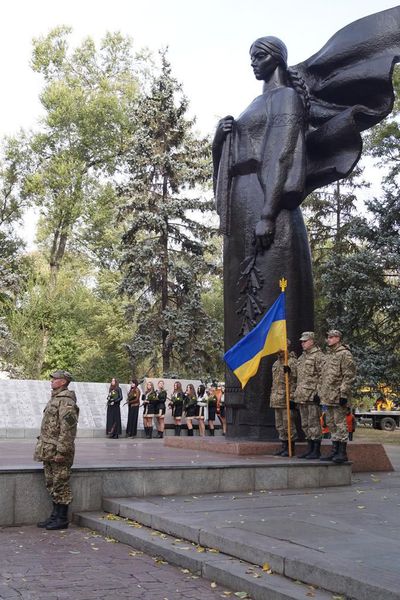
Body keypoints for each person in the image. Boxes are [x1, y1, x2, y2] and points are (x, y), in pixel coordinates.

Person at [212, 8, 400, 438]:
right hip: (243, 202)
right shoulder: (259, 101)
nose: (252, 61)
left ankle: (282, 426)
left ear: (276, 58)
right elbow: (241, 150)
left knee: (266, 299)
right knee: (241, 301)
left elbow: (280, 153)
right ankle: (246, 413)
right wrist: (221, 137)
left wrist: (267, 211)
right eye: (250, 55)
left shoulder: (285, 99)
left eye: (259, 54)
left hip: (266, 203)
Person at [33, 369, 79, 530]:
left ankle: (62, 518)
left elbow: (68, 429)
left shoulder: (66, 401)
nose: (51, 381)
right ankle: (54, 516)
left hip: (59, 451)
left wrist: (62, 451)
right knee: (52, 482)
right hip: (49, 450)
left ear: (63, 381)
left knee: (61, 483)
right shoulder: (55, 399)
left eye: (55, 378)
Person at [320, 330, 356, 464]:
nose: (328, 339)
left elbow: (349, 375)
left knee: (340, 423)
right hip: (327, 396)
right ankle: (334, 450)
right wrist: (320, 392)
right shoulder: (328, 355)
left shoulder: (345, 354)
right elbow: (323, 376)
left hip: (338, 395)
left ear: (338, 338)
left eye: (331, 337)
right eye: (327, 337)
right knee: (331, 423)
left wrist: (344, 393)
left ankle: (342, 452)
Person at [294, 332, 325, 459]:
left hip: (312, 395)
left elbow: (323, 376)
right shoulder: (301, 358)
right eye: (302, 341)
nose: (302, 343)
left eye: (305, 341)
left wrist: (318, 393)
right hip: (302, 396)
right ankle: (310, 448)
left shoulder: (319, 356)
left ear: (312, 341)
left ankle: (316, 450)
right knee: (305, 424)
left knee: (314, 424)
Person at [270, 345, 297, 457]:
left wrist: (291, 398)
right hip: (276, 398)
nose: (278, 351)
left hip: (286, 398)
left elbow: (295, 382)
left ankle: (291, 448)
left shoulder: (291, 362)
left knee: (288, 425)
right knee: (279, 425)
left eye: (280, 349)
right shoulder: (276, 364)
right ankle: (284, 446)